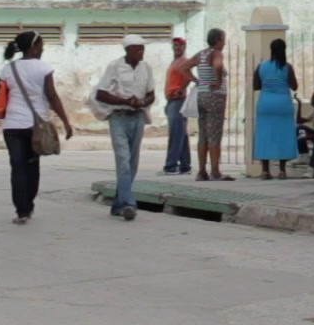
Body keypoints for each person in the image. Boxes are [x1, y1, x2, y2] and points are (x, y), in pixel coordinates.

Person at [0, 30, 75, 225]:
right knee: (32, 166)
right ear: (34, 47)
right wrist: (66, 121)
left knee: (17, 168)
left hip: (12, 126)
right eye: (41, 45)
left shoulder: (8, 69)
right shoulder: (43, 68)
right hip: (36, 127)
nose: (43, 49)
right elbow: (52, 96)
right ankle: (28, 204)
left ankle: (22, 210)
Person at [91, 35, 155, 221]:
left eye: (143, 49)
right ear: (128, 50)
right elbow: (101, 94)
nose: (141, 52)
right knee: (123, 160)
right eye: (138, 49)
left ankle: (118, 204)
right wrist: (125, 101)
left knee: (132, 163)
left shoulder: (146, 68)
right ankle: (129, 203)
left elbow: (151, 94)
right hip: (118, 117)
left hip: (138, 117)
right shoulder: (115, 66)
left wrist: (142, 102)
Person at [253, 39, 301, 179]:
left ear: (271, 50)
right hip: (283, 104)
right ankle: (282, 171)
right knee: (283, 135)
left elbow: (256, 86)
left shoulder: (261, 66)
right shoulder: (287, 67)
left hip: (266, 103)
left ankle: (265, 170)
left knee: (264, 135)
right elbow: (294, 86)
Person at [192, 28, 233, 182]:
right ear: (217, 40)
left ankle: (201, 171)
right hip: (215, 97)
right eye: (223, 39)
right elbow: (217, 65)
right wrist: (218, 81)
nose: (224, 43)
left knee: (203, 134)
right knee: (215, 134)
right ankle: (215, 171)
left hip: (201, 96)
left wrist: (197, 81)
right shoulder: (216, 53)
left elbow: (182, 68)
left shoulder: (201, 54)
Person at [161, 35, 193, 175]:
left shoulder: (184, 61)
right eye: (175, 45)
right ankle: (185, 165)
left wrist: (181, 89)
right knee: (181, 134)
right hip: (172, 101)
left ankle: (171, 166)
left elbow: (189, 76)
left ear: (184, 47)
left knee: (176, 134)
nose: (177, 48)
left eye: (179, 46)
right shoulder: (175, 62)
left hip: (178, 101)